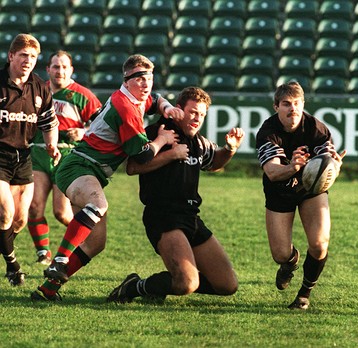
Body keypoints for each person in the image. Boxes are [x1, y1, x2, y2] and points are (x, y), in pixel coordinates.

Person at [30, 54, 184, 301]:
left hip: (90, 170)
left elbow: (155, 100)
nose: (146, 83)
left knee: (95, 244)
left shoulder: (135, 98)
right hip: (79, 166)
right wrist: (163, 140)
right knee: (98, 205)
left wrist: (167, 107)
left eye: (150, 78)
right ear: (127, 79)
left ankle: (48, 290)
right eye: (140, 78)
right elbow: (143, 156)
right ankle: (58, 259)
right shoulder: (125, 106)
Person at [107, 86, 244, 303]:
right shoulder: (158, 131)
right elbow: (133, 167)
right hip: (163, 216)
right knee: (187, 283)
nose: (197, 118)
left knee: (227, 285)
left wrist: (229, 149)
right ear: (179, 109)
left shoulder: (198, 141)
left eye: (202, 114)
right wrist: (172, 154)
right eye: (193, 112)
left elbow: (213, 163)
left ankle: (158, 285)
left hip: (191, 217)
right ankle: (134, 287)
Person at [255, 81, 345, 310]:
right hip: (280, 192)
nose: (292, 109)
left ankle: (304, 295)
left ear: (303, 104)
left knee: (319, 243)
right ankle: (290, 261)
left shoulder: (317, 129)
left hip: (310, 190)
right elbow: (273, 173)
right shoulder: (268, 132)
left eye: (297, 103)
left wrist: (334, 167)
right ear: (276, 106)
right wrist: (293, 167)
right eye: (286, 104)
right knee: (280, 254)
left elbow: (328, 166)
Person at [28, 50, 102, 266]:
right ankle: (43, 253)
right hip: (39, 153)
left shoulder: (83, 95)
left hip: (67, 157)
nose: (59, 71)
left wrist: (84, 132)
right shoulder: (35, 91)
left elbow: (103, 125)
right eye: (55, 67)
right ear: (48, 69)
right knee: (34, 207)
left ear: (71, 70)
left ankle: (81, 244)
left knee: (62, 212)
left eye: (64, 67)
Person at [0, 33, 61, 286]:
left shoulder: (40, 87)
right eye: (23, 55)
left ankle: (6, 251)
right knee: (5, 213)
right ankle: (13, 266)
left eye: (33, 57)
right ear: (11, 55)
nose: (28, 60)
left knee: (20, 220)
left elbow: (50, 122)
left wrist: (52, 144)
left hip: (23, 158)